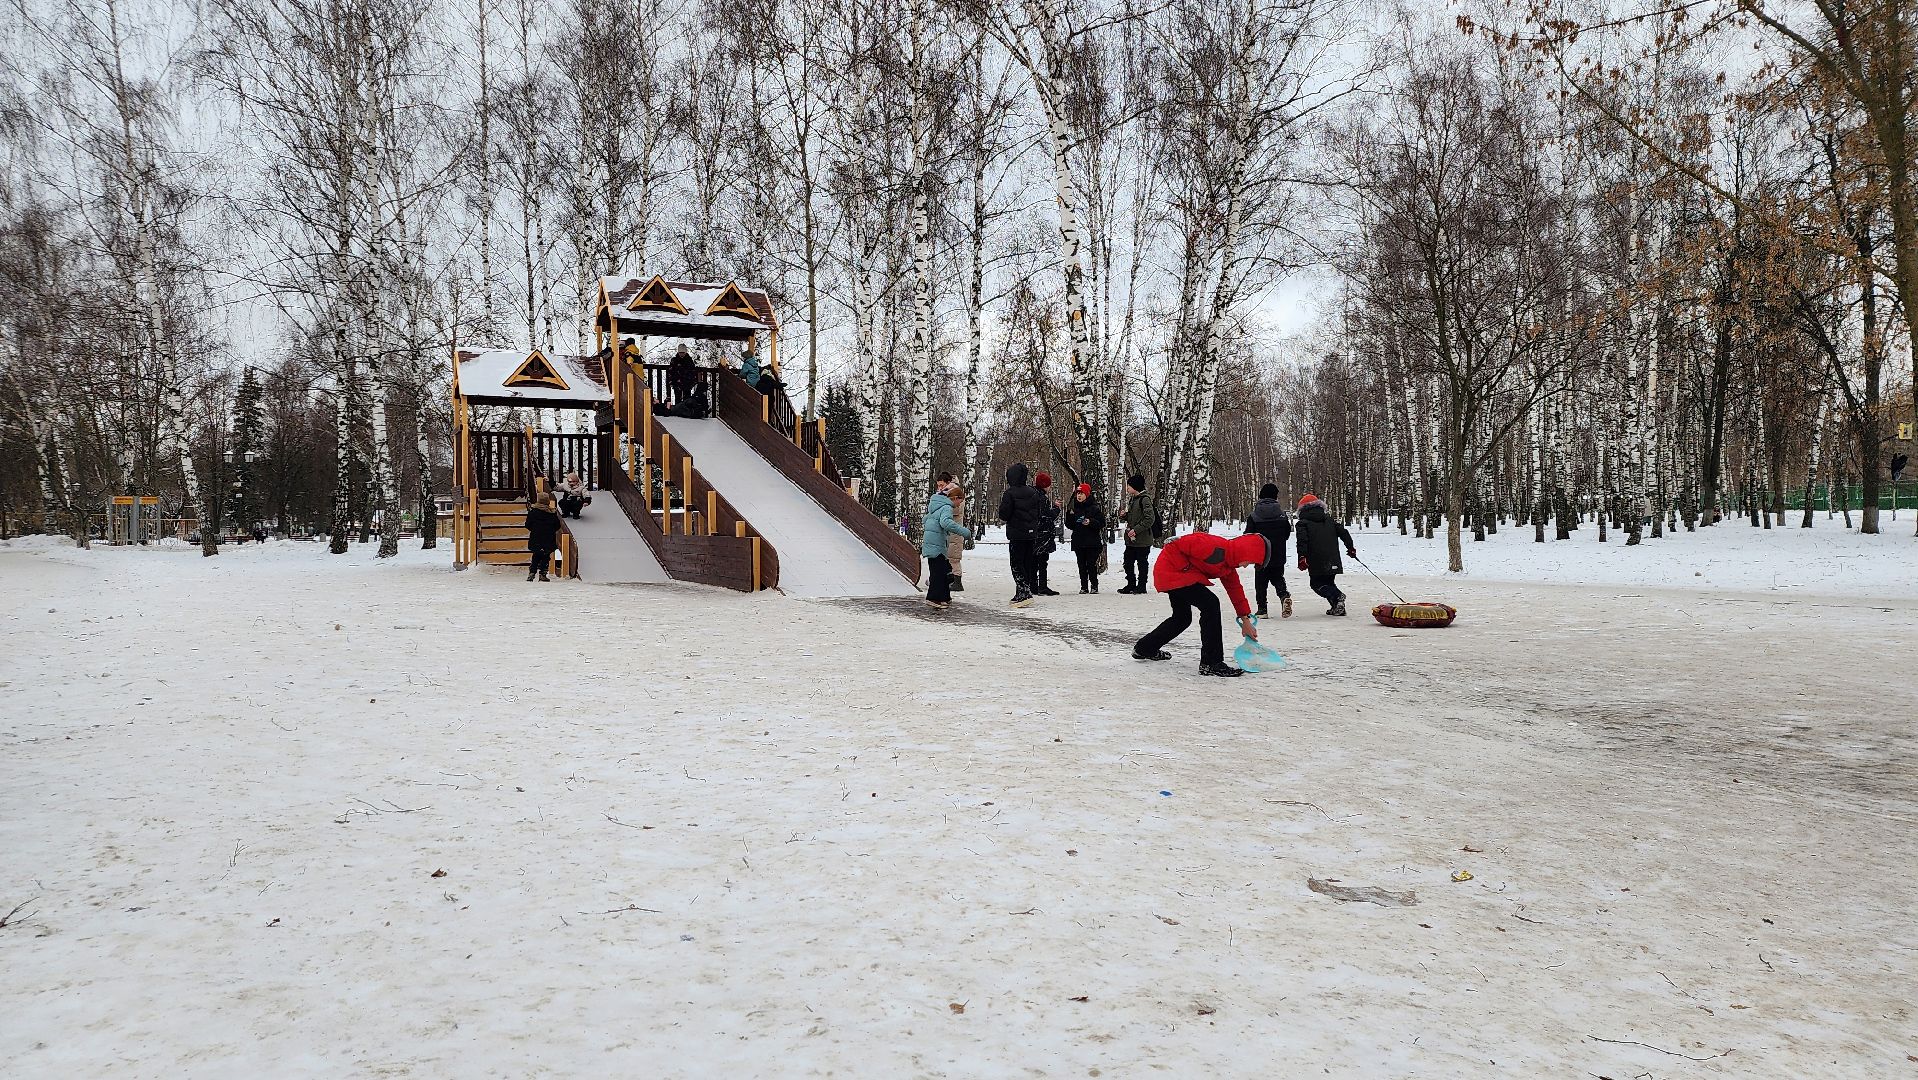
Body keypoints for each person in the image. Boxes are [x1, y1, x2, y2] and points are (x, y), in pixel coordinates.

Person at [1131, 531, 1269, 677]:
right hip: (1172, 572)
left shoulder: (1227, 566)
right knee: (1211, 604)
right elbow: (1172, 544)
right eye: (1250, 561)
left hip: (1177, 575)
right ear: (1245, 552)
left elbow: (1236, 591)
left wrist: (1245, 619)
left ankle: (1144, 648)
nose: (1247, 566)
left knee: (1182, 618)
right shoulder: (1214, 547)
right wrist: (1185, 568)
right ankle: (1211, 663)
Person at [1293, 493, 1356, 616]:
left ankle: (1337, 596)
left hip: (1315, 558)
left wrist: (1302, 557)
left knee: (1316, 584)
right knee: (1329, 583)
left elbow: (1302, 541)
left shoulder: (1302, 523)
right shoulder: (1329, 520)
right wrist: (1350, 547)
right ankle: (1338, 607)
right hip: (1333, 558)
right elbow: (1343, 532)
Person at [996, 463, 1050, 607]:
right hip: (1031, 534)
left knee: (1016, 564)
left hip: (1016, 534)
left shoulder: (1010, 493)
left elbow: (1004, 514)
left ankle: (1023, 592)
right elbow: (1038, 512)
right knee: (1027, 563)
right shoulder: (1033, 492)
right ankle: (1023, 591)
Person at [1244, 483, 1293, 618]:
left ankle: (1262, 609)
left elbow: (1248, 535)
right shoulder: (1282, 515)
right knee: (1277, 577)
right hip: (1278, 552)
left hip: (1261, 554)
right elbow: (1287, 534)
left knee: (1260, 581)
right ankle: (1284, 596)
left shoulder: (1254, 516)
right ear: (1275, 497)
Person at [922, 481, 973, 608]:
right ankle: (933, 598)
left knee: (944, 571)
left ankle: (944, 596)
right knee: (938, 573)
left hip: (933, 542)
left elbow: (925, 520)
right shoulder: (946, 507)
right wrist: (964, 532)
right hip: (936, 544)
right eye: (959, 502)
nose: (959, 505)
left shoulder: (936, 506)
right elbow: (946, 523)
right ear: (955, 498)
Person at [1065, 483, 1106, 593]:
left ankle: (1094, 585)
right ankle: (1084, 586)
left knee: (1091, 564)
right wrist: (1069, 515)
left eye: (1081, 493)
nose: (1079, 496)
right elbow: (1069, 524)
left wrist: (1090, 522)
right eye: (1078, 493)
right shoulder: (1074, 507)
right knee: (1081, 565)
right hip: (1079, 541)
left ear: (1086, 494)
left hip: (1092, 542)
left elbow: (1102, 523)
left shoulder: (1094, 508)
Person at [1119, 474, 1155, 593]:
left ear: (1135, 486)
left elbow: (1149, 518)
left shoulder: (1145, 499)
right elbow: (1134, 517)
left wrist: (1136, 530)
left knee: (1142, 563)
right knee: (1128, 562)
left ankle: (1141, 586)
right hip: (1131, 539)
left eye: (1129, 486)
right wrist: (1125, 516)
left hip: (1143, 539)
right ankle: (1131, 584)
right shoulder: (1133, 500)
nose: (1127, 488)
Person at [1031, 472, 1061, 595]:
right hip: (1042, 534)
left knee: (1033, 561)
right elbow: (1047, 515)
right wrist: (1056, 509)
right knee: (1042, 561)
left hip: (1033, 533)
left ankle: (1033, 585)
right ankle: (1042, 586)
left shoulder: (1031, 495)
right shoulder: (1042, 498)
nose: (1049, 488)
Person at [525, 492, 562, 582]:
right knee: (546, 556)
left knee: (536, 555)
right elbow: (557, 525)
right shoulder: (551, 513)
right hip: (548, 538)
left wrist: (534, 530)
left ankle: (532, 573)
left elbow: (528, 525)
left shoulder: (533, 512)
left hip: (536, 537)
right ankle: (543, 574)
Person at [945, 479, 969, 593]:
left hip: (955, 533)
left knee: (954, 558)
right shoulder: (956, 496)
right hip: (952, 533)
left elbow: (954, 510)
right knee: (950, 557)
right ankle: (950, 580)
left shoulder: (957, 498)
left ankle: (957, 581)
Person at [667, 344, 701, 414]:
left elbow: (693, 373)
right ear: (678, 352)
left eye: (683, 353)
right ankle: (677, 413)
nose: (681, 354)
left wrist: (693, 382)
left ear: (686, 352)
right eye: (680, 353)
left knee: (687, 399)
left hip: (687, 383)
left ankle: (686, 413)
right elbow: (670, 372)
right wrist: (671, 382)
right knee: (678, 399)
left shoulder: (689, 360)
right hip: (677, 383)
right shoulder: (674, 360)